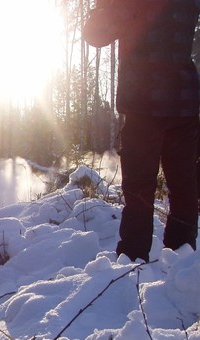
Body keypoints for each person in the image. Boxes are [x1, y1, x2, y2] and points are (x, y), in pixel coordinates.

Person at [83, 0, 200, 262]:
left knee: (138, 190)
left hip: (143, 105)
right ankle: (182, 262)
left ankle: (133, 261)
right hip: (184, 105)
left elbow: (95, 33)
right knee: (184, 188)